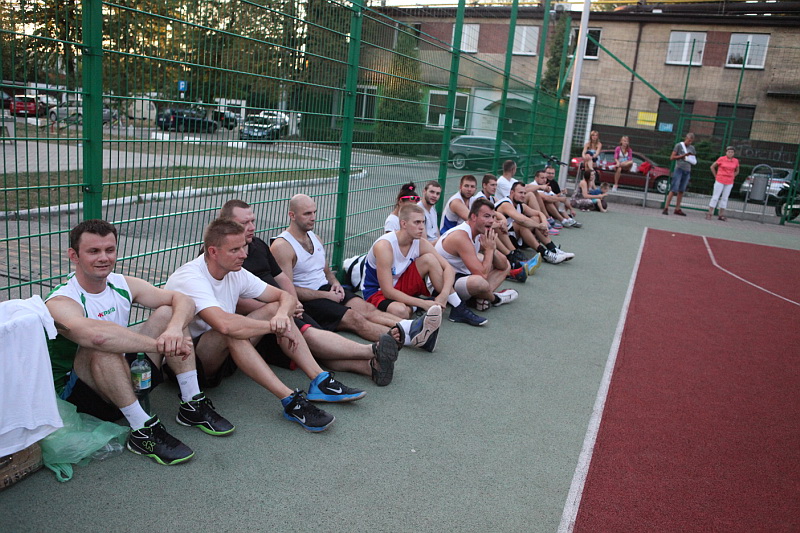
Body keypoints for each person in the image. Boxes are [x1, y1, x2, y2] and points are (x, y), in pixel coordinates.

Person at [45, 219, 233, 466]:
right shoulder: (61, 300)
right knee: (101, 346)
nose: (104, 258)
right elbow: (97, 337)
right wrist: (160, 345)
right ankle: (142, 430)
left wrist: (173, 331)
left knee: (168, 313)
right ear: (74, 255)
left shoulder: (121, 283)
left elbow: (184, 300)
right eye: (93, 251)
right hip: (81, 396)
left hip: (122, 375)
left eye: (109, 250)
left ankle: (192, 403)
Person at [166, 218, 367, 433]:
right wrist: (274, 327)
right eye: (235, 250)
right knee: (231, 331)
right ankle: (290, 401)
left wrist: (281, 316)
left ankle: (319, 379)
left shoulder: (236, 272)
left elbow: (285, 297)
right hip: (191, 364)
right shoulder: (192, 277)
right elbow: (225, 325)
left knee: (273, 310)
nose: (244, 254)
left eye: (243, 247)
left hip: (225, 354)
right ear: (213, 252)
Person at [220, 200, 399, 387]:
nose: (252, 227)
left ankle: (371, 367)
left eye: (252, 221)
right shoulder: (227, 255)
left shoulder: (258, 245)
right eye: (244, 223)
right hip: (263, 319)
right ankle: (372, 350)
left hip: (282, 307)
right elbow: (236, 301)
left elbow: (282, 278)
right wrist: (281, 308)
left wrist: (293, 302)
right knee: (312, 338)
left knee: (319, 345)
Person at [271, 194, 441, 352]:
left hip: (327, 290)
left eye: (314, 212)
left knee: (367, 309)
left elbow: (327, 272)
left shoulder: (315, 238)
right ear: (292, 215)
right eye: (307, 214)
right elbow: (288, 291)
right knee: (355, 318)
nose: (313, 217)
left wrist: (335, 283)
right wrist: (325, 295)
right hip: (308, 301)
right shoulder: (282, 246)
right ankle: (410, 338)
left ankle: (414, 327)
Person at [363, 203, 487, 327]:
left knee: (430, 259)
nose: (422, 227)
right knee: (400, 312)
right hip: (377, 291)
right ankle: (419, 305)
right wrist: (423, 304)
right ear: (403, 224)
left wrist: (444, 295)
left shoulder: (420, 243)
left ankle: (458, 306)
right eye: (417, 222)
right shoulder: (385, 246)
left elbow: (448, 268)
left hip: (400, 282)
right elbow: (388, 291)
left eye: (423, 222)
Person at [435, 198, 518, 311]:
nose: (491, 221)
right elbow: (482, 276)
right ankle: (496, 299)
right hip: (442, 284)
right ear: (474, 217)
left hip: (459, 277)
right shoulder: (461, 236)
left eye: (493, 217)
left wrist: (492, 249)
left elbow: (504, 266)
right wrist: (489, 250)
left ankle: (479, 298)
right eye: (486, 216)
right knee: (479, 282)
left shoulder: (479, 232)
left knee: (506, 265)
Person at [496, 182, 576, 264]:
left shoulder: (520, 205)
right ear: (512, 192)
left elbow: (539, 213)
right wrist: (539, 226)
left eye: (524, 193)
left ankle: (553, 249)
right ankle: (544, 253)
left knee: (536, 218)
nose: (523, 195)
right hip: (502, 239)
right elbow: (521, 220)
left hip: (513, 237)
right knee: (521, 225)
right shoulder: (506, 204)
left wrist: (544, 225)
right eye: (520, 193)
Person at [663, 132, 696, 216]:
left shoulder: (692, 148)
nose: (690, 142)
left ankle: (677, 209)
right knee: (674, 189)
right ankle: (666, 208)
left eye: (691, 141)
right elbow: (672, 157)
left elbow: (693, 160)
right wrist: (682, 156)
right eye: (689, 140)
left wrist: (689, 158)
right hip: (679, 169)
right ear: (686, 138)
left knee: (681, 190)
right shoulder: (679, 145)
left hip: (687, 170)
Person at [707, 146, 739, 222]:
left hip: (729, 181)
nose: (730, 153)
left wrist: (733, 176)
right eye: (729, 152)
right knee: (715, 197)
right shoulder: (721, 159)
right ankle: (710, 213)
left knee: (725, 198)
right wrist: (716, 176)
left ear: (734, 153)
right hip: (720, 180)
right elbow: (712, 167)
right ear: (726, 152)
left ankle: (721, 215)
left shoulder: (735, 161)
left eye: (732, 152)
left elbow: (737, 170)